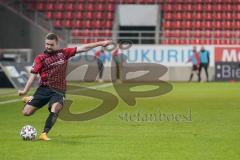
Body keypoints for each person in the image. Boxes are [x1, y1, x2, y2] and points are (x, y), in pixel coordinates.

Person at [18, 33, 111, 141]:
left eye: (51, 45)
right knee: (26, 113)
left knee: (55, 108)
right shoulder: (40, 58)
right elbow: (32, 76)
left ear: (57, 44)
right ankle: (30, 98)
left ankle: (44, 133)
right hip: (44, 89)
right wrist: (25, 90)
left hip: (58, 90)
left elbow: (84, 48)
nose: (48, 46)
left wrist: (101, 43)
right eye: (47, 44)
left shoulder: (64, 53)